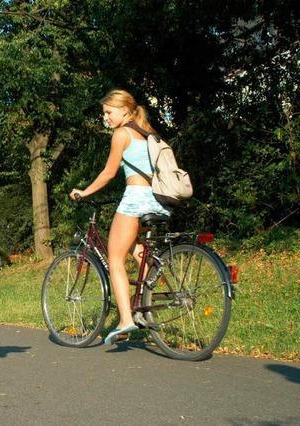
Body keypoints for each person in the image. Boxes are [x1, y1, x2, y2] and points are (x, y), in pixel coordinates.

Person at [69, 89, 171, 344]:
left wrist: (84, 192)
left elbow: (108, 173)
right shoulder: (148, 133)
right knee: (136, 250)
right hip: (157, 199)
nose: (106, 117)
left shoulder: (122, 134)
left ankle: (126, 318)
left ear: (125, 110)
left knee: (114, 258)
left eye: (108, 112)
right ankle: (147, 301)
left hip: (136, 197)